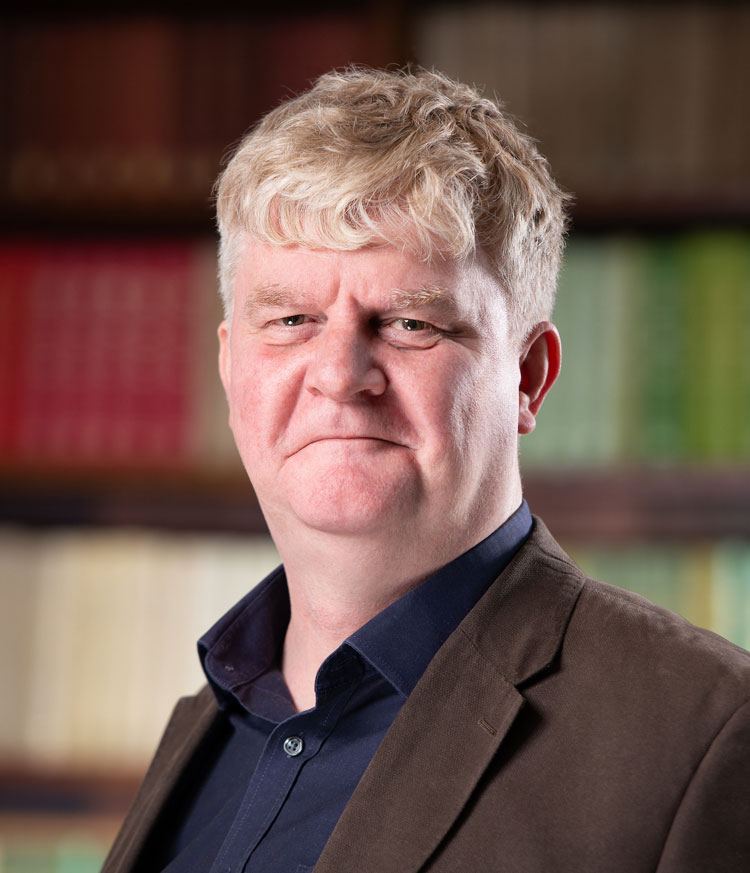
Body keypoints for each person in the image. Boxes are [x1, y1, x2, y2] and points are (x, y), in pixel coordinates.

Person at [102, 68, 750, 873]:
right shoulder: (204, 732)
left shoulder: (706, 736)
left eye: (411, 323)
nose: (340, 374)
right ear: (232, 366)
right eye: (292, 319)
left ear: (528, 376)